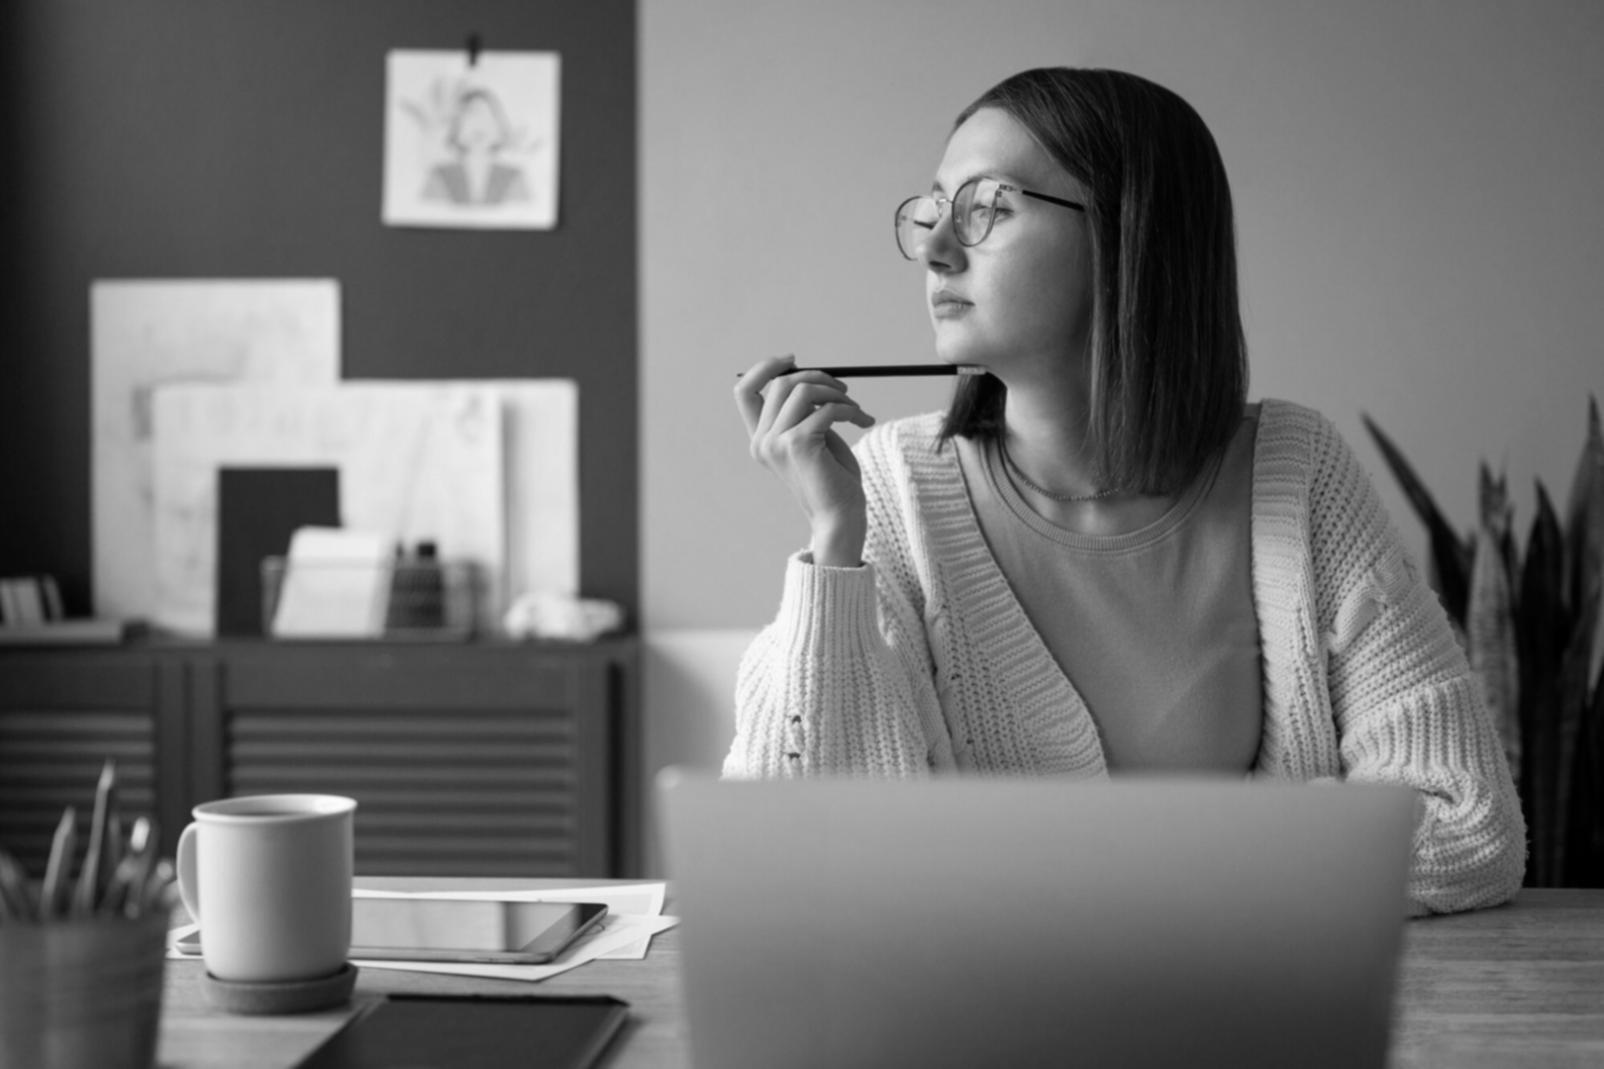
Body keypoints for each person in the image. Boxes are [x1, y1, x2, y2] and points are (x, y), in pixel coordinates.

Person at [728, 67, 1525, 916]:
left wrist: (1095, 880)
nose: (934, 247)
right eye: (932, 209)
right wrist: (833, 545)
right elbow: (795, 852)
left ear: (1128, 235)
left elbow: (1467, 828)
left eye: (987, 206)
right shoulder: (889, 489)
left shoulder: (1297, 473)